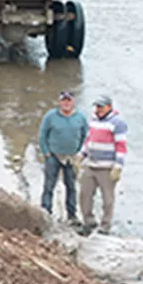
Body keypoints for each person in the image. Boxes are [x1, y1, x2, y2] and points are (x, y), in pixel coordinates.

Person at [78, 95, 127, 235]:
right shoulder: (93, 120)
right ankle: (89, 222)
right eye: (97, 106)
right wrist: (81, 154)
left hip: (106, 167)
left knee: (107, 198)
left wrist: (118, 165)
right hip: (90, 164)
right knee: (84, 195)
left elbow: (121, 146)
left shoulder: (117, 123)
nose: (98, 109)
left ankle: (105, 226)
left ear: (109, 107)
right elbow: (88, 140)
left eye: (101, 106)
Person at [38, 91, 87, 225]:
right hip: (53, 156)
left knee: (71, 187)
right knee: (49, 186)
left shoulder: (81, 118)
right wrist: (46, 152)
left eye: (69, 100)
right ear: (60, 102)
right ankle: (45, 213)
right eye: (63, 100)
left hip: (72, 158)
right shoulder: (50, 116)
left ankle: (72, 215)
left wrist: (81, 154)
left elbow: (86, 137)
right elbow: (42, 135)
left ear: (73, 102)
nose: (66, 103)